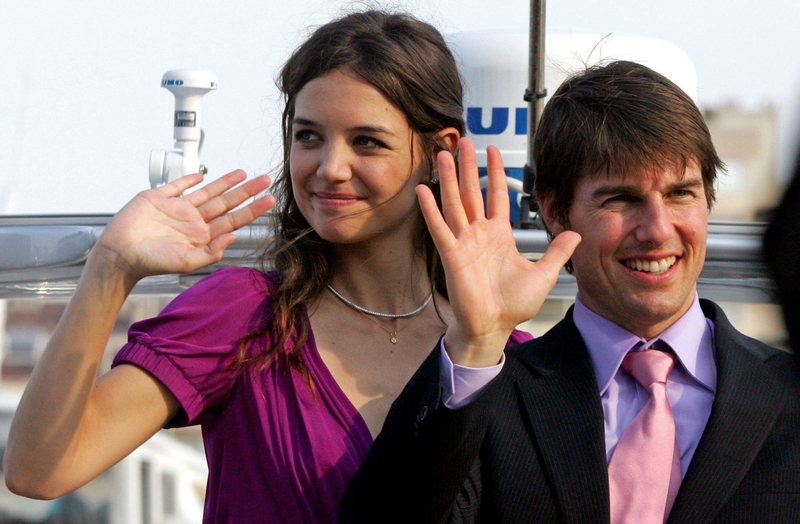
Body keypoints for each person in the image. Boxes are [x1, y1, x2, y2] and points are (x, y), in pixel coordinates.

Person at [2, 10, 542, 523]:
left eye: (367, 142)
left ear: (437, 151)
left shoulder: (497, 353)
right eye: (309, 136)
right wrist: (110, 268)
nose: (329, 168)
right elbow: (39, 470)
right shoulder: (243, 315)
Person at [342, 61, 800, 523]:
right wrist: (477, 340)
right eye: (621, 199)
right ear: (556, 212)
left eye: (681, 193)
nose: (658, 231)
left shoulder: (789, 395)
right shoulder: (488, 398)